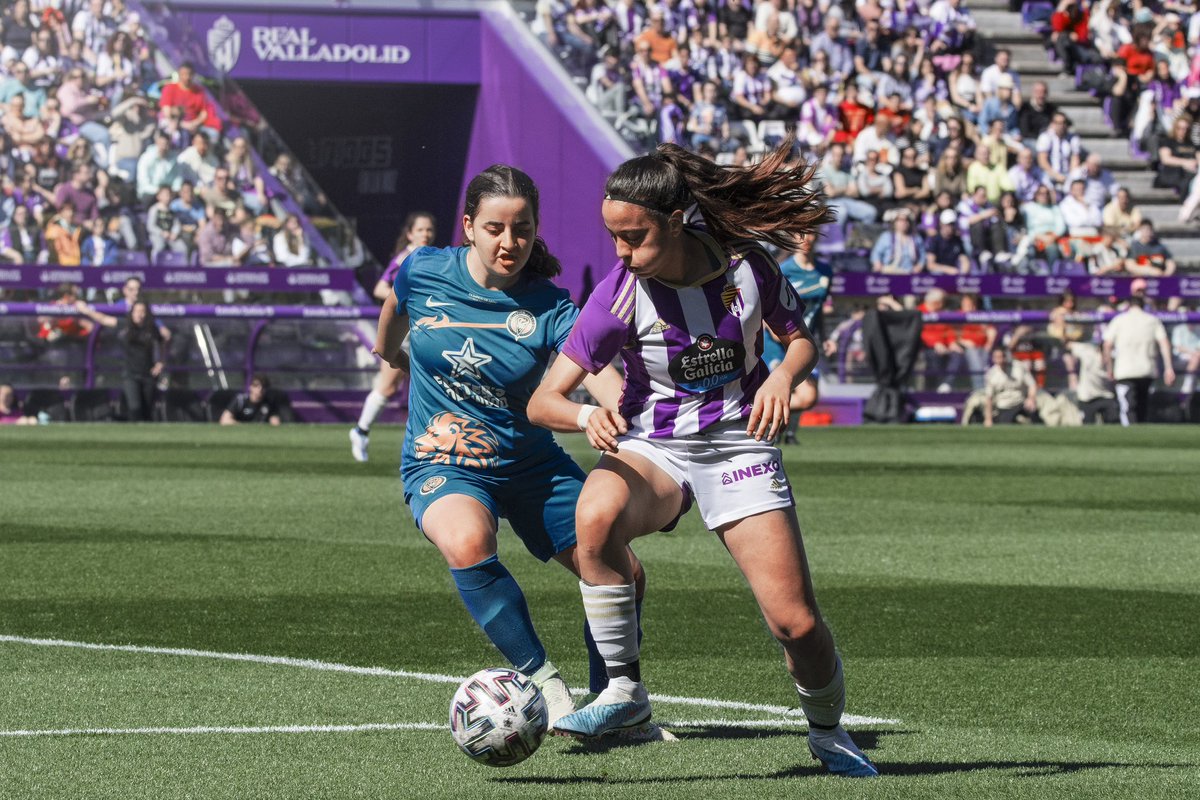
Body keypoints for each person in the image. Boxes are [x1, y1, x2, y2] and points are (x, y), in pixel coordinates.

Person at [527, 140, 878, 777]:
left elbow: (801, 344)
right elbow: (544, 400)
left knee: (795, 626)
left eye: (634, 238)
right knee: (594, 518)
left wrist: (779, 377)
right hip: (653, 446)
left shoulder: (747, 268)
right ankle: (624, 691)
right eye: (613, 238)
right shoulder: (619, 295)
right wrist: (586, 414)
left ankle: (828, 734)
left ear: (677, 220)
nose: (622, 254)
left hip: (737, 444)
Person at [371, 165, 641, 730]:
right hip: (442, 460)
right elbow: (395, 308)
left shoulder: (549, 304)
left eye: (522, 229)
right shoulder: (423, 269)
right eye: (495, 228)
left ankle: (610, 703)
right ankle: (543, 683)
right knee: (468, 540)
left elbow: (595, 371)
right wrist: (389, 352)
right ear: (468, 226)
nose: (509, 243)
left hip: (531, 465)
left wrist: (618, 414)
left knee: (624, 572)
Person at [350, 212, 437, 462]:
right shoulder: (406, 257)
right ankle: (360, 431)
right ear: (410, 234)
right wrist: (406, 296)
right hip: (404, 331)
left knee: (427, 382)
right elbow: (380, 288)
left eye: (429, 230)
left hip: (422, 329)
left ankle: (431, 438)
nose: (425, 234)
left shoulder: (431, 256)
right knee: (387, 387)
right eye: (420, 230)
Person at [75, 298, 166, 422]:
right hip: (130, 374)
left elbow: (163, 342)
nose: (139, 315)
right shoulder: (125, 325)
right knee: (135, 408)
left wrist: (160, 362)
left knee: (147, 410)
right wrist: (86, 310)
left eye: (142, 311)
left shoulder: (152, 328)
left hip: (148, 375)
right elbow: (103, 319)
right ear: (132, 312)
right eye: (137, 311)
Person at [1102, 296, 1174, 425]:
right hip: (1146, 370)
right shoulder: (1152, 320)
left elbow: (1107, 345)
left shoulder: (1119, 320)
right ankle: (1141, 436)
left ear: (1129, 305)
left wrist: (1109, 368)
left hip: (1124, 371)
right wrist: (1169, 368)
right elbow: (1164, 343)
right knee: (1142, 406)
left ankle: (1130, 439)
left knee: (1128, 408)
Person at [983, 348, 1039, 426]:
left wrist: (1031, 398)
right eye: (996, 357)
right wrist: (988, 419)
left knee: (1034, 411)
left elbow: (1032, 385)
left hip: (1020, 403)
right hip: (1004, 407)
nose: (999, 360)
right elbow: (989, 398)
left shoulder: (1019, 367)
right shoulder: (991, 374)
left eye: (1001, 357)